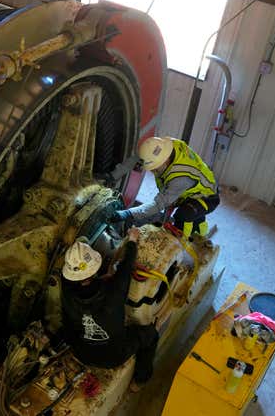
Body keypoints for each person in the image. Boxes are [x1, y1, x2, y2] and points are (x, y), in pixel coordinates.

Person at [60, 228, 158, 385]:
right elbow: (126, 268)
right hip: (113, 356)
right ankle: (140, 380)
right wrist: (132, 239)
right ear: (94, 270)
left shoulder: (66, 292)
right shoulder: (114, 291)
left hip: (80, 352)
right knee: (151, 336)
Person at [110, 137, 219, 238]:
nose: (152, 171)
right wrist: (112, 176)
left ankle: (181, 247)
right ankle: (201, 231)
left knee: (183, 216)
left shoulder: (180, 178)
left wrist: (129, 213)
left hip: (206, 196)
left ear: (164, 161)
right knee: (196, 217)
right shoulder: (164, 147)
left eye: (154, 169)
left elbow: (159, 204)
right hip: (192, 188)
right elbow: (137, 158)